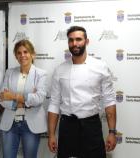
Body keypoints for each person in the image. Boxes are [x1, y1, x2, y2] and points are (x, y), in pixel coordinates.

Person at [47, 26, 117, 158]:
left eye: (78, 39)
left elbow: (109, 101)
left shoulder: (100, 67)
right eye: (71, 40)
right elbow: (54, 104)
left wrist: (112, 132)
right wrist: (51, 134)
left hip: (92, 126)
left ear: (87, 41)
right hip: (67, 126)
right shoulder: (59, 70)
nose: (74, 43)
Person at [0, 39, 47, 158]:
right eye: (19, 53)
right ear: (15, 56)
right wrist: (21, 103)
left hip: (31, 125)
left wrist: (13, 96)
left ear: (32, 54)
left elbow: (39, 98)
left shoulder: (41, 74)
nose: (22, 55)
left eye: (26, 52)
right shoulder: (9, 72)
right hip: (10, 124)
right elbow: (2, 98)